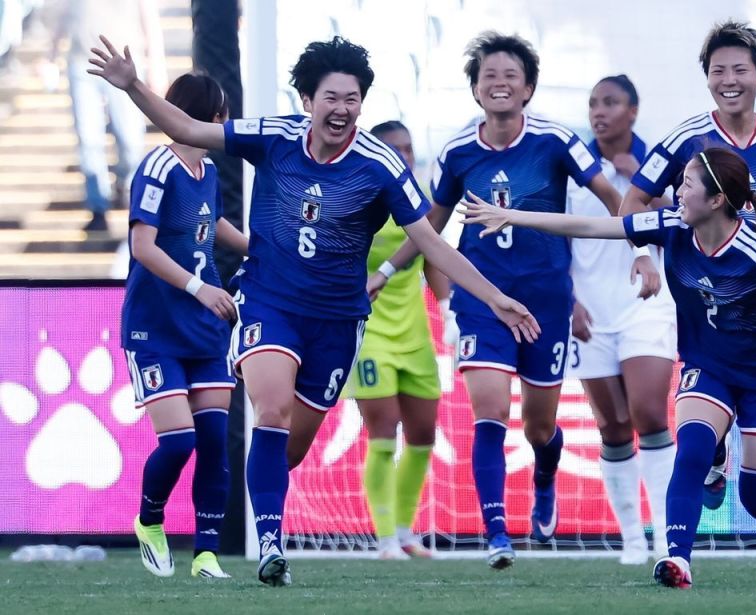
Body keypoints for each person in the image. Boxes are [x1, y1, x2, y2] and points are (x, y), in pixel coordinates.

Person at [90, 35, 539, 587]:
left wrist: (493, 296)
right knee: (270, 412)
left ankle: (260, 517)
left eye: (353, 99)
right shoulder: (274, 137)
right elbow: (188, 128)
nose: (342, 109)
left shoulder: (379, 165)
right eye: (332, 97)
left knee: (290, 449)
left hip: (337, 321)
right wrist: (132, 85)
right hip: (268, 302)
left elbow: (431, 241)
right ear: (307, 100)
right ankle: (270, 546)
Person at [460, 146, 756, 588]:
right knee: (692, 450)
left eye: (687, 184)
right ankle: (677, 558)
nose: (677, 192)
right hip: (709, 366)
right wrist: (512, 217)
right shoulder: (673, 225)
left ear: (716, 200)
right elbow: (592, 226)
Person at [368, 31, 623, 569]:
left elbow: (612, 199)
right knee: (490, 411)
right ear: (476, 89)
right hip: (482, 300)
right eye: (489, 76)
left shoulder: (557, 141)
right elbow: (429, 227)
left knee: (539, 427)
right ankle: (498, 534)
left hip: (545, 304)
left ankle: (545, 478)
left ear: (528, 88)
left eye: (511, 76)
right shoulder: (458, 152)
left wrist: (643, 248)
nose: (500, 84)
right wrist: (387, 271)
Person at [621, 20, 756, 511]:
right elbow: (633, 203)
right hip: (707, 301)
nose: (728, 80)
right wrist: (643, 255)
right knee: (701, 410)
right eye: (718, 71)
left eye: (739, 69)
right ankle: (713, 456)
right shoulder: (685, 138)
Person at [121, 72, 247, 579]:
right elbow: (142, 246)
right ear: (213, 117)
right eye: (224, 115)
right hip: (155, 328)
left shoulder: (208, 169)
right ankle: (149, 520)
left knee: (214, 440)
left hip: (204, 328)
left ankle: (206, 554)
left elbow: (213, 223)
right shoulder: (157, 167)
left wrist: (259, 248)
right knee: (179, 441)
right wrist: (200, 288)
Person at [566, 75, 676, 563]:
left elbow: (690, 220)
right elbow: (554, 239)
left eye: (610, 102)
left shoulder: (659, 165)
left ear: (633, 110)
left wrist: (647, 189)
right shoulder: (572, 168)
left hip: (646, 303)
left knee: (649, 413)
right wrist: (568, 300)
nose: (599, 111)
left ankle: (668, 536)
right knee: (612, 426)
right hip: (589, 311)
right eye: (593, 103)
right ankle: (632, 538)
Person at [344, 120, 446, 560]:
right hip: (369, 333)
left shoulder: (419, 202)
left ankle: (405, 531)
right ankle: (385, 538)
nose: (403, 156)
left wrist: (448, 309)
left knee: (423, 435)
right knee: (383, 431)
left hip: (414, 333)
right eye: (394, 149)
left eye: (408, 148)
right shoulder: (355, 199)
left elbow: (433, 256)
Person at [50, 0, 165, 231]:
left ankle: (126, 182)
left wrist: (156, 64)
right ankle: (98, 206)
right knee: (88, 139)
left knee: (130, 138)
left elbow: (149, 17)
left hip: (124, 65)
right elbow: (62, 12)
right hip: (82, 62)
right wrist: (51, 55)